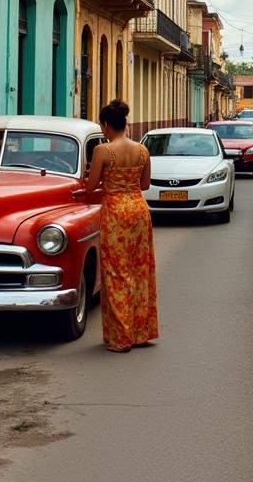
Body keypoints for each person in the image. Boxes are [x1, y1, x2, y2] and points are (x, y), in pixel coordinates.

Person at [86, 99, 159, 352]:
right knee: (140, 269)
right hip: (138, 210)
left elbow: (90, 186)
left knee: (116, 272)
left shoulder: (103, 151)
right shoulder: (142, 150)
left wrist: (104, 184)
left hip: (115, 212)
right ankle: (141, 332)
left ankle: (121, 337)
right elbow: (145, 184)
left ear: (106, 125)